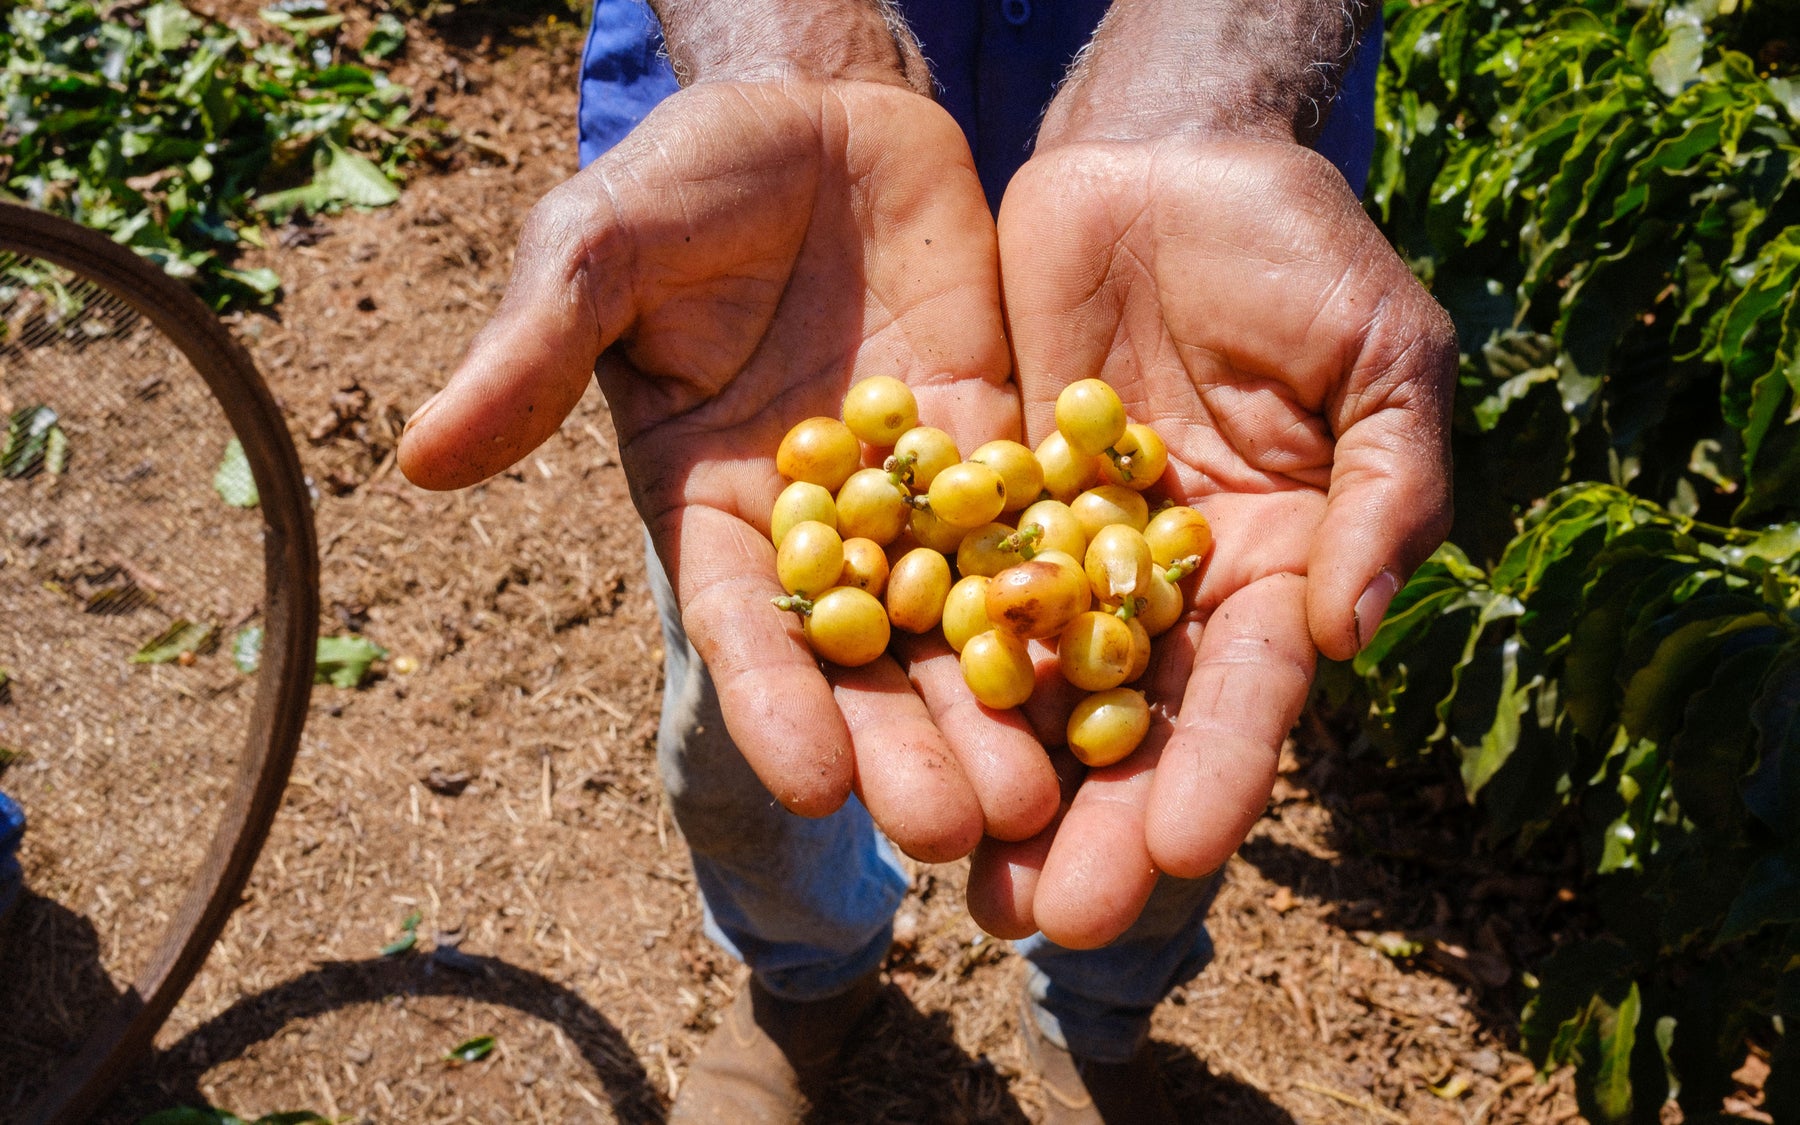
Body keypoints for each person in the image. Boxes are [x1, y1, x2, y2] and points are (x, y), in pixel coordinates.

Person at [398, 1, 1456, 1120]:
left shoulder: (1085, 519)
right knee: (746, 720)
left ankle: (1092, 1019)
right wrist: (787, 53)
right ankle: (808, 977)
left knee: (1175, 763)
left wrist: (1207, 94)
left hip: (1204, 246)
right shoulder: (865, 482)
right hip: (776, 273)